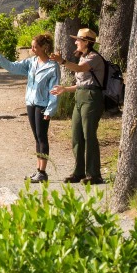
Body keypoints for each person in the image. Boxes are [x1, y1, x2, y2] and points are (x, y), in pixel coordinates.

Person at [0, 33, 60, 183]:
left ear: (44, 47)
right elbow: (13, 67)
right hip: (31, 103)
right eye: (32, 46)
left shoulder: (52, 67)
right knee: (36, 138)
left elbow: (55, 90)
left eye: (35, 46)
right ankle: (39, 171)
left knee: (42, 137)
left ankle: (43, 173)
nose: (32, 49)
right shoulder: (31, 62)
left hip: (43, 105)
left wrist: (50, 110)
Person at [51, 28, 105, 184]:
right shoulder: (83, 57)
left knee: (89, 136)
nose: (75, 42)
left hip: (92, 98)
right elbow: (81, 84)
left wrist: (62, 61)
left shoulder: (94, 58)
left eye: (78, 39)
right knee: (76, 135)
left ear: (87, 42)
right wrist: (65, 89)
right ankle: (79, 172)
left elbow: (80, 70)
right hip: (81, 97)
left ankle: (94, 174)